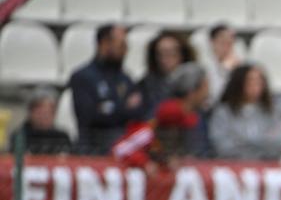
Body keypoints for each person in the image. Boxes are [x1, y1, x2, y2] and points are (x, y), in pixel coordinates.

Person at [112, 63, 211, 168]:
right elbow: (125, 147)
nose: (207, 92)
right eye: (204, 87)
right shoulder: (170, 113)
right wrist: (144, 162)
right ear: (192, 92)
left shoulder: (192, 117)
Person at [68, 24, 145, 155]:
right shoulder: (82, 76)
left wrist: (112, 109)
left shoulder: (126, 78)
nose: (125, 51)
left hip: (124, 150)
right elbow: (89, 117)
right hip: (92, 151)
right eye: (121, 45)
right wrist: (124, 109)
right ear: (104, 43)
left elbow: (138, 112)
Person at [210, 64, 281, 160]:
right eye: (250, 81)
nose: (256, 86)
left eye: (259, 81)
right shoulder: (223, 113)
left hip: (265, 165)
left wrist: (247, 143)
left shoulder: (272, 111)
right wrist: (260, 144)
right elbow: (223, 145)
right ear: (239, 83)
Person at [138, 31, 197, 119]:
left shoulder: (194, 82)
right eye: (161, 53)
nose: (166, 58)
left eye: (172, 52)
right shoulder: (146, 85)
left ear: (182, 54)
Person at [7, 88, 72, 155]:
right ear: (31, 112)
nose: (44, 117)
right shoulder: (20, 136)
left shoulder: (61, 137)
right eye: (40, 113)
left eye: (48, 113)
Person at [203, 24, 241, 105]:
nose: (227, 46)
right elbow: (215, 94)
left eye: (230, 43)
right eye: (223, 42)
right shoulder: (204, 66)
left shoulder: (238, 64)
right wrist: (225, 69)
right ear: (212, 42)